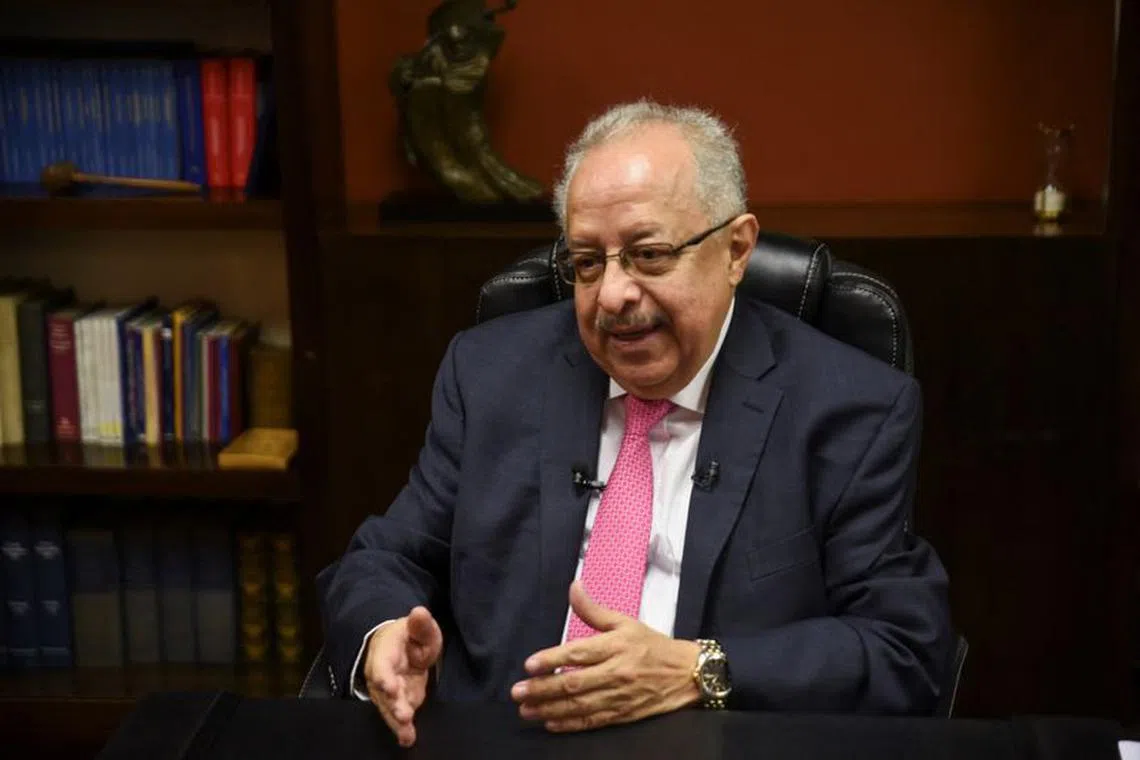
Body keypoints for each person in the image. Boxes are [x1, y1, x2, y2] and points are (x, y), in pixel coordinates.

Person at [317, 100, 953, 747]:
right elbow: (385, 557)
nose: (613, 294)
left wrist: (701, 669)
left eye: (648, 254)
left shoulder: (852, 406)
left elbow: (902, 648)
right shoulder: (490, 376)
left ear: (736, 250)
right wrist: (384, 634)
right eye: (588, 262)